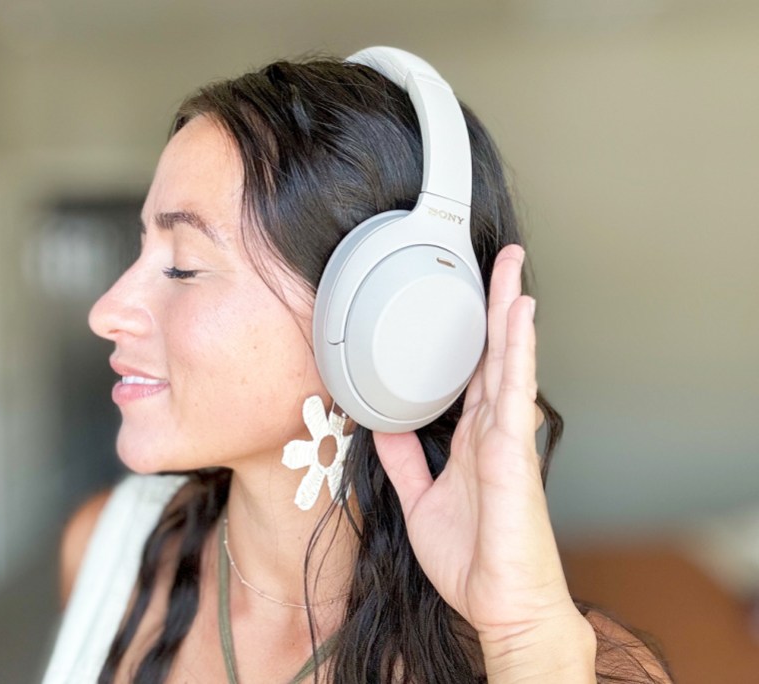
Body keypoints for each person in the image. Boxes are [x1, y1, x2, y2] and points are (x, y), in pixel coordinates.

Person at [42, 50, 673, 683]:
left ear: (380, 318)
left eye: (182, 265)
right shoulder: (107, 548)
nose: (107, 311)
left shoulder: (581, 665)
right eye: (142, 252)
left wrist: (524, 636)